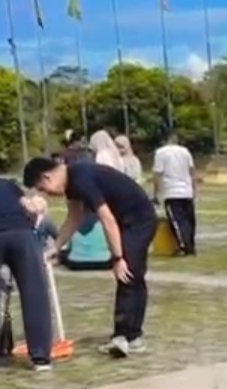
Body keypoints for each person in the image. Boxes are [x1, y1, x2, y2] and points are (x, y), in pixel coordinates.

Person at [23, 152, 158, 358]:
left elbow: (106, 218)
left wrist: (117, 258)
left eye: (43, 189)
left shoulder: (82, 178)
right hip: (125, 221)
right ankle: (129, 335)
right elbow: (74, 217)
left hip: (139, 220)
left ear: (47, 177)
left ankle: (127, 336)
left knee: (127, 273)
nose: (48, 194)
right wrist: (56, 247)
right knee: (132, 276)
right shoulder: (73, 182)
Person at [0, 179, 53, 370]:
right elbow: (31, 208)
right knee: (34, 293)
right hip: (21, 233)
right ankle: (40, 356)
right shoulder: (9, 185)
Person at [153, 129, 197, 256]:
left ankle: (184, 246)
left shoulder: (161, 153)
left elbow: (158, 174)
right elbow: (192, 171)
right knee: (189, 220)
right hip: (186, 190)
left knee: (177, 221)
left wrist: (157, 193)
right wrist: (194, 189)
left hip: (171, 191)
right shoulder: (185, 151)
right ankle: (190, 244)